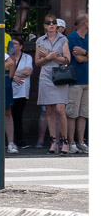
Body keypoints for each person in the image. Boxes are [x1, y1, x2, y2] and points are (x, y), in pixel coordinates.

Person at [33, 15, 72, 155]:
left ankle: (65, 141)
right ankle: (53, 141)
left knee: (60, 109)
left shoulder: (63, 39)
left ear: (56, 25)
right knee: (49, 110)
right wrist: (48, 58)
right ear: (44, 25)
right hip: (46, 75)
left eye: (53, 23)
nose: (51, 25)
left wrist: (53, 57)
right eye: (48, 23)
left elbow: (67, 59)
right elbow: (37, 62)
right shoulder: (40, 40)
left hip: (59, 75)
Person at [65, 13, 88, 154]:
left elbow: (82, 55)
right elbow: (78, 59)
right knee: (72, 113)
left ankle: (81, 142)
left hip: (89, 81)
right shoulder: (71, 38)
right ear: (84, 23)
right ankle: (71, 142)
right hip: (76, 81)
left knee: (83, 114)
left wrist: (85, 52)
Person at [7, 36, 32, 151]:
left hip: (22, 91)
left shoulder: (27, 57)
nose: (13, 46)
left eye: (15, 44)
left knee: (18, 116)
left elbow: (27, 71)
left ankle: (19, 139)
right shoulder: (8, 57)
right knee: (8, 115)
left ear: (21, 46)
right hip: (9, 89)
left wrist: (13, 75)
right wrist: (15, 76)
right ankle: (8, 140)